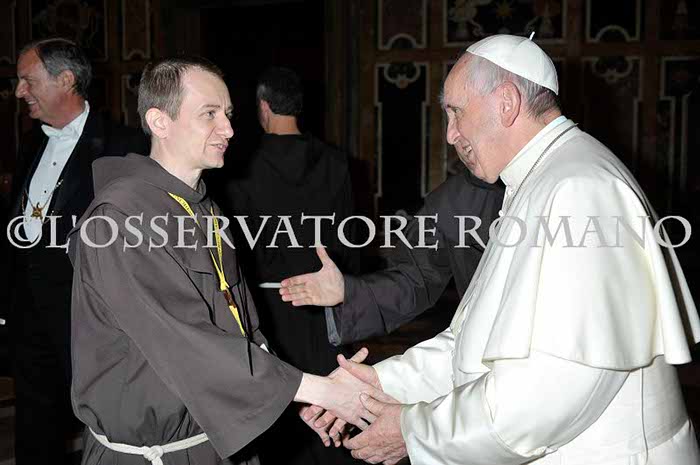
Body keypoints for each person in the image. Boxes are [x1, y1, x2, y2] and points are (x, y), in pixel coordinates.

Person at [307, 34, 700, 465]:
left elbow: (548, 393)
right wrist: (379, 385)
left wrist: (413, 431)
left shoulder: (578, 188)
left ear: (507, 103)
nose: (451, 134)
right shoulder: (541, 178)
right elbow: (477, 343)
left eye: (456, 112)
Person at [68, 56, 386, 465]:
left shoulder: (206, 209)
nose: (230, 129)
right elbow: (186, 341)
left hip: (217, 440)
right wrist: (317, 389)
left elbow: (241, 326)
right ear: (160, 122)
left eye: (229, 114)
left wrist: (288, 399)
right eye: (209, 114)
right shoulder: (118, 219)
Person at [0, 37, 147, 465]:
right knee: (34, 429)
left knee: (108, 425)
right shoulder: (31, 142)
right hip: (29, 313)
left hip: (87, 314)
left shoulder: (124, 146)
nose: (19, 91)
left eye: (28, 81)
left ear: (65, 80)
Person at [222, 66, 361, 464]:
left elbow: (234, 248)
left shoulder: (241, 166)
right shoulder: (335, 162)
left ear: (263, 106)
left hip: (267, 311)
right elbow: (350, 243)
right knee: (328, 410)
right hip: (325, 308)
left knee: (279, 416)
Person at [279, 161, 503, 344]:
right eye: (448, 122)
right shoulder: (456, 198)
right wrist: (348, 291)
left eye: (459, 118)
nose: (451, 136)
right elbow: (415, 278)